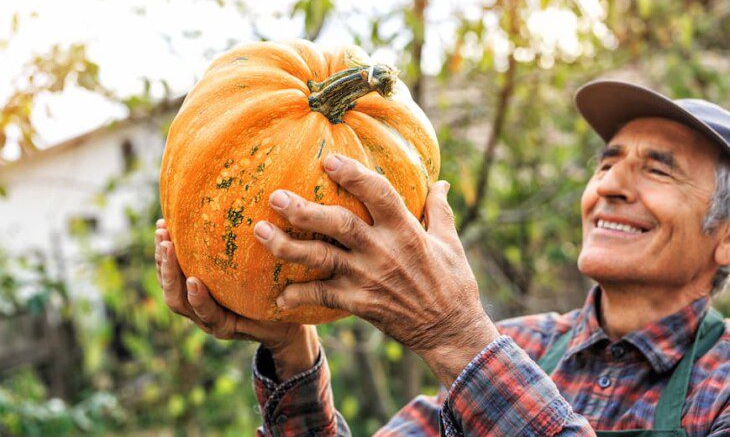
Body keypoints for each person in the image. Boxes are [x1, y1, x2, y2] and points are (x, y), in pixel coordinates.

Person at [154, 79, 730, 436]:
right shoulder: (516, 348)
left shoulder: (720, 386)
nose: (610, 185)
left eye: (657, 169)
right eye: (606, 163)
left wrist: (453, 334)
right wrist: (290, 347)